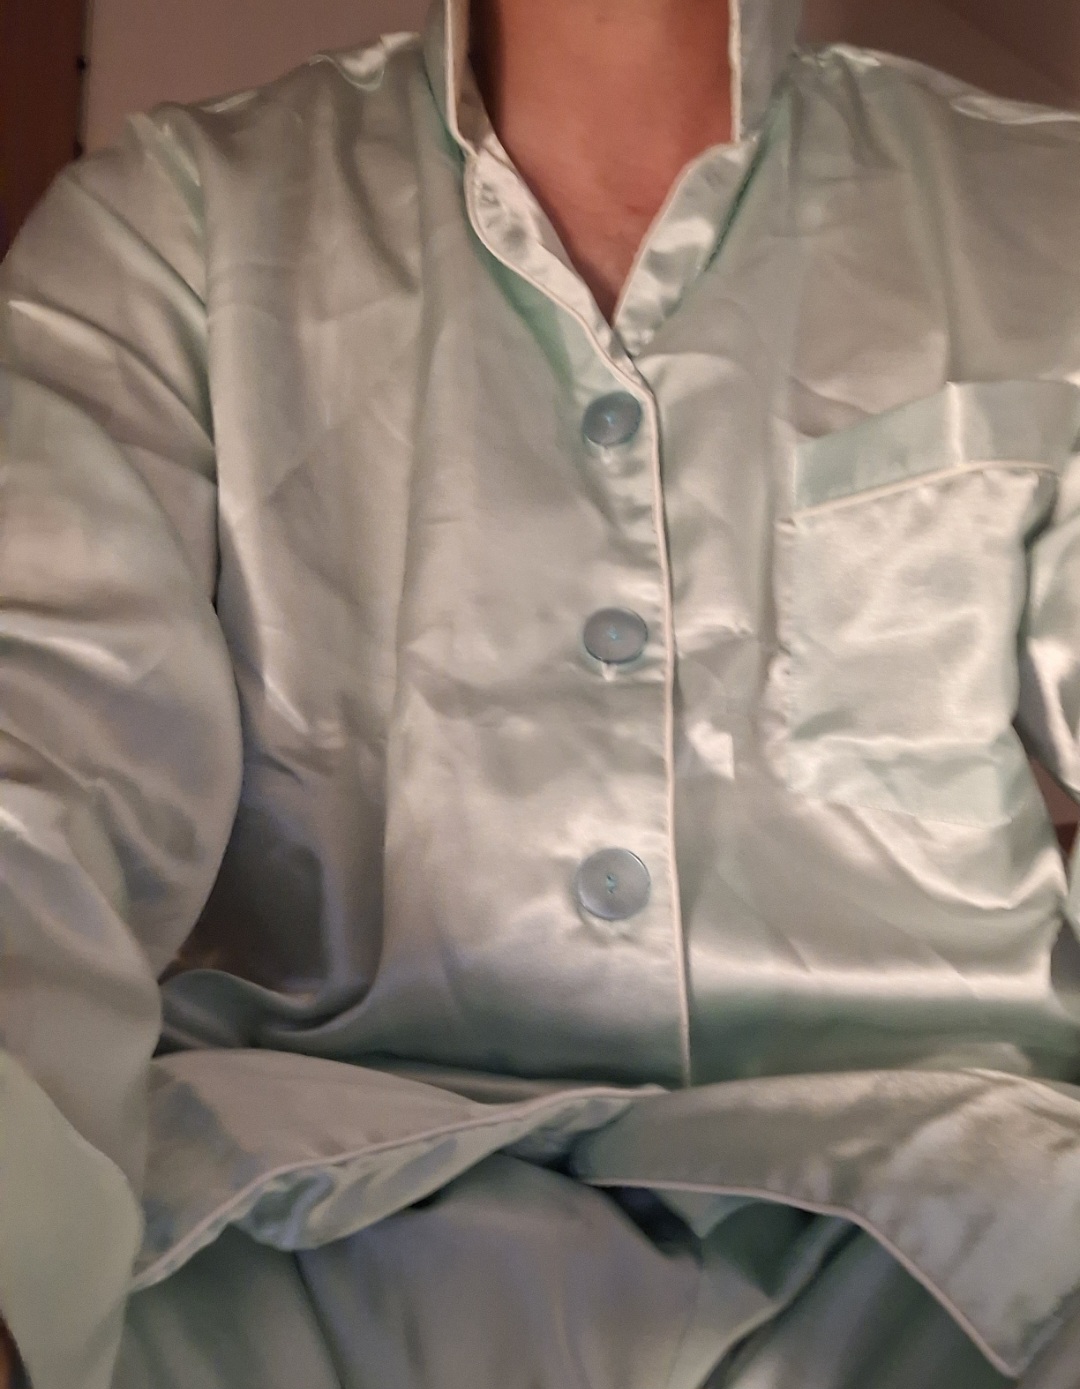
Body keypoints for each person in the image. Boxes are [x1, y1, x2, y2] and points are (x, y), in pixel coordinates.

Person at [3, 0, 1080, 1384]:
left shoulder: (1042, 209)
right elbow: (37, 783)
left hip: (961, 1256)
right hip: (290, 1250)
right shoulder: (178, 230)